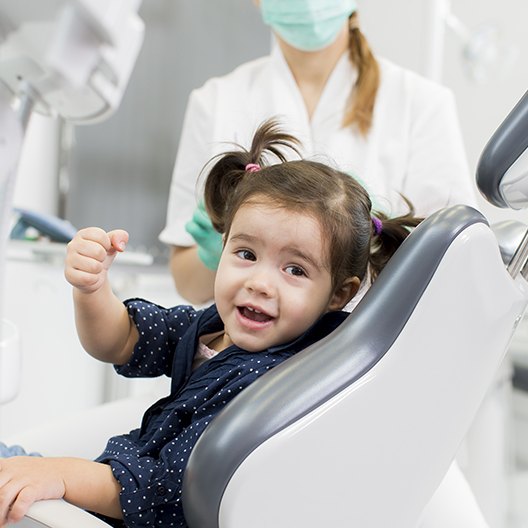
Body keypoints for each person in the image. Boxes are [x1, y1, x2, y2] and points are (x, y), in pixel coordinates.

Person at [0, 120, 422, 527]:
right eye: (246, 254)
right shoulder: (211, 329)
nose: (259, 282)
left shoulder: (271, 388)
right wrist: (92, 290)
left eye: (295, 270)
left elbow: (162, 491)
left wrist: (59, 475)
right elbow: (121, 339)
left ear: (339, 295)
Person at [159, 0, 478, 305]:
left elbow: (456, 260)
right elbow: (187, 284)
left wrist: (374, 239)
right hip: (248, 348)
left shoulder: (422, 104)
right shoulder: (216, 101)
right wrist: (221, 251)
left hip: (369, 351)